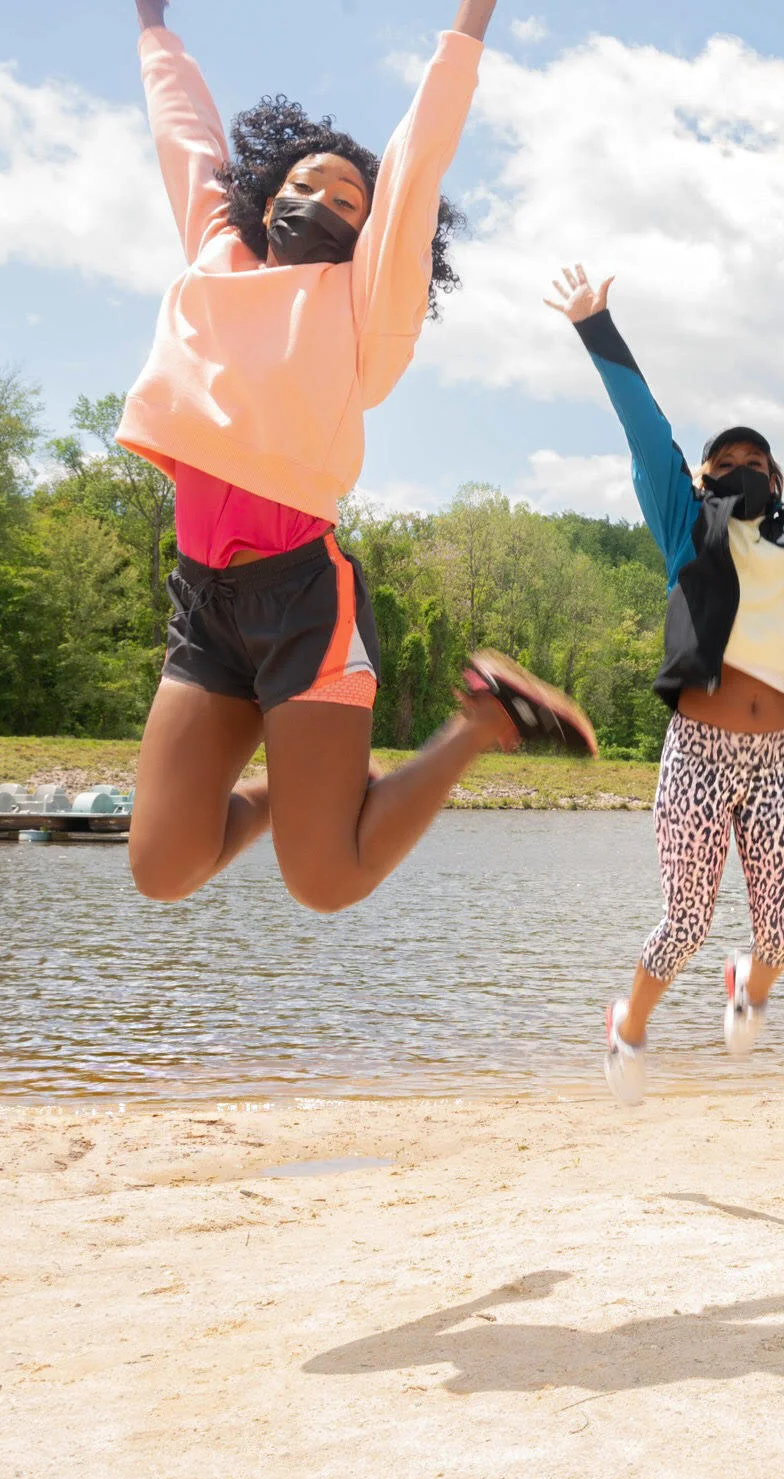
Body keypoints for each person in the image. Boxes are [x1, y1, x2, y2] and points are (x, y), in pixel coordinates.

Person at [118, 0, 594, 920]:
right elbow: (186, 141)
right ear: (265, 198)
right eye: (307, 185)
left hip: (303, 602)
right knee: (163, 868)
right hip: (203, 599)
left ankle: (484, 721)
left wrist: (470, 25)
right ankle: (306, 792)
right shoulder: (216, 257)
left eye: (348, 201)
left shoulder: (361, 307)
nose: (323, 204)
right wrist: (152, 30)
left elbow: (416, 166)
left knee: (325, 882)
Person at [546, 265, 784, 1106]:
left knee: (781, 936)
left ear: (778, 481)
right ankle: (628, 1026)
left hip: (781, 756)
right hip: (700, 754)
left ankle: (746, 983)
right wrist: (597, 330)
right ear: (709, 477)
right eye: (729, 459)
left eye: (759, 459)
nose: (744, 466)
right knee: (682, 923)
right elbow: (650, 438)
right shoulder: (688, 529)